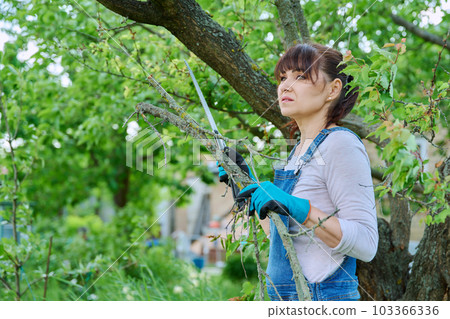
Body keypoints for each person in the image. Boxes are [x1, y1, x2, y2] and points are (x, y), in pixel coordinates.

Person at [218, 43, 378, 301]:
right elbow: (283, 237)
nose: (285, 86)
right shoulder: (296, 153)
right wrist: (246, 184)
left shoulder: (340, 144)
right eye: (283, 78)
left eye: (300, 76)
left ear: (333, 89)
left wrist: (296, 206)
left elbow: (367, 244)